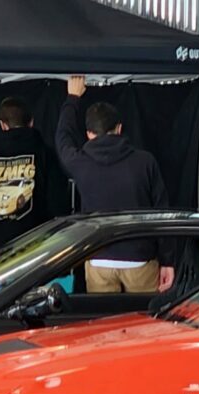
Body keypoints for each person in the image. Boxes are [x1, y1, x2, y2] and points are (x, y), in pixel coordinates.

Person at [55, 76, 174, 294]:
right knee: (144, 323)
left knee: (105, 325)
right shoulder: (145, 161)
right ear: (119, 128)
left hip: (99, 258)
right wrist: (168, 261)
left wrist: (72, 98)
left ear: (89, 134)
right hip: (140, 258)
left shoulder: (80, 162)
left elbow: (62, 138)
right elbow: (162, 213)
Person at [0, 96, 58, 263]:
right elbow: (57, 204)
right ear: (31, 122)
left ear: (3, 125)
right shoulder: (46, 154)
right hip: (36, 249)